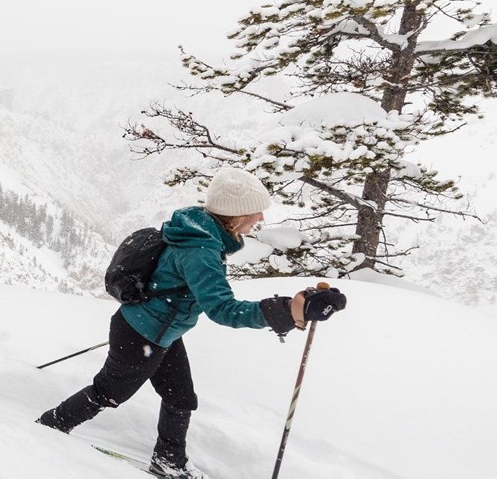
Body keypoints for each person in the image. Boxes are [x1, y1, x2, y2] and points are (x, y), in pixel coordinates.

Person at [35, 168, 348, 479]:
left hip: (160, 332)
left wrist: (296, 307)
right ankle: (50, 426)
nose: (260, 220)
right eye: (256, 212)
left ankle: (168, 460)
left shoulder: (199, 229)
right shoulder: (200, 250)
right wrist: (291, 311)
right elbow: (223, 309)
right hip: (141, 334)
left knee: (181, 397)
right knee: (109, 393)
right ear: (236, 215)